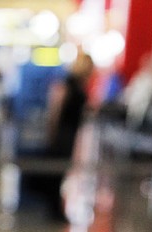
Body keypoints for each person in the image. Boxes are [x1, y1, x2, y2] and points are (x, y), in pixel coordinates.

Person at [44, 53, 94, 222]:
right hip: (63, 132)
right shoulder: (69, 82)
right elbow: (56, 108)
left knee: (63, 169)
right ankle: (53, 207)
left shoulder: (78, 84)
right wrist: (52, 132)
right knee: (57, 168)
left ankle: (56, 206)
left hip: (70, 132)